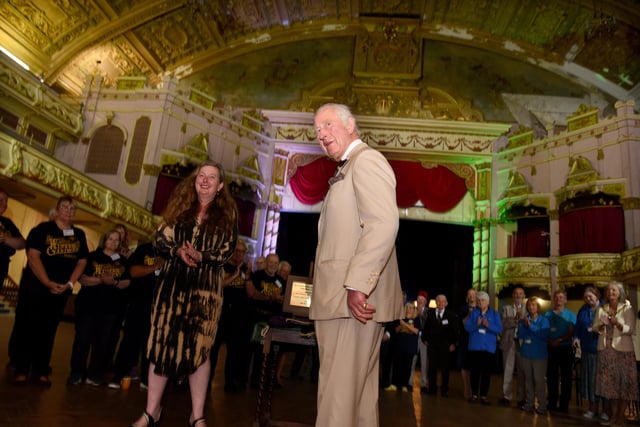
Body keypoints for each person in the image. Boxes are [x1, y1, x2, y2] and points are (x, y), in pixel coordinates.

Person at [309, 103, 404, 427]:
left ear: (351, 125)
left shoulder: (367, 161)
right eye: (317, 130)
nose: (321, 134)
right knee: (357, 400)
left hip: (350, 301)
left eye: (327, 124)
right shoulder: (348, 169)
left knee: (337, 400)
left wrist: (358, 285)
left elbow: (383, 224)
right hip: (343, 302)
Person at [130, 161, 238, 427]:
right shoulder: (179, 209)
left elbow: (227, 250)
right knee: (160, 345)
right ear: (194, 181)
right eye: (201, 175)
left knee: (200, 350)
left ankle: (197, 415)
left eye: (211, 177)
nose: (205, 180)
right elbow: (161, 238)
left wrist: (203, 255)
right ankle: (151, 411)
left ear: (220, 186)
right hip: (172, 288)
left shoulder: (227, 216)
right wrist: (177, 250)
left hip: (205, 294)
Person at [10, 196, 89, 385]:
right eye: (65, 207)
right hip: (36, 289)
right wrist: (47, 282)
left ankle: (41, 370)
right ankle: (22, 369)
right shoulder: (42, 230)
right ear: (57, 209)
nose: (69, 211)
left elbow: (82, 261)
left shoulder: (78, 234)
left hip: (60, 292)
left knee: (48, 331)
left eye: (72, 208)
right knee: (28, 328)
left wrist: (70, 284)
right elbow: (33, 256)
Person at [68, 228, 132, 386]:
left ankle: (95, 374)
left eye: (117, 240)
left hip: (110, 309)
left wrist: (115, 282)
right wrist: (101, 280)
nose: (113, 242)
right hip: (88, 306)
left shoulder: (123, 261)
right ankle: (76, 373)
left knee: (102, 342)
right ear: (104, 240)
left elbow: (127, 282)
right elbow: (82, 279)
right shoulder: (92, 257)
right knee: (82, 340)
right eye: (111, 239)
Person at [108, 235, 164, 389]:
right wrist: (155, 267)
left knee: (151, 344)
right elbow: (133, 272)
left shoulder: (170, 254)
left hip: (159, 306)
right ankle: (119, 374)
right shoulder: (144, 249)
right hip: (138, 302)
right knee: (130, 340)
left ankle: (146, 379)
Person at [593, 281, 639, 427]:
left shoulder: (627, 309)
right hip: (606, 351)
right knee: (611, 386)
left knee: (623, 386)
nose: (610, 293)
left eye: (613, 290)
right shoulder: (602, 309)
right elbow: (594, 328)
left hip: (623, 353)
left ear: (619, 293)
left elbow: (631, 329)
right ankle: (613, 417)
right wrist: (602, 325)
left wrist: (617, 323)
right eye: (608, 290)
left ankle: (621, 418)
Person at [209, 239, 253, 392]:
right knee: (213, 350)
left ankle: (231, 383)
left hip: (238, 317)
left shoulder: (246, 268)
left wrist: (247, 278)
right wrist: (235, 274)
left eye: (242, 252)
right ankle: (206, 382)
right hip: (221, 315)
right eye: (237, 251)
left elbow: (251, 293)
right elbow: (219, 285)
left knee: (235, 351)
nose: (239, 254)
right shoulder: (222, 265)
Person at [574, 286, 609, 421]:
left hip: (602, 350)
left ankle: (606, 410)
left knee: (603, 381)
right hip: (587, 350)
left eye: (590, 296)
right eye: (586, 297)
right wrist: (576, 338)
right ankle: (592, 408)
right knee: (590, 381)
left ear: (597, 295)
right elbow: (578, 327)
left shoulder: (605, 308)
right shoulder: (583, 310)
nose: (588, 299)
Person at [464, 290, 502, 405]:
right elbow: (467, 328)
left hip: (488, 349)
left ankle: (484, 396)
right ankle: (474, 395)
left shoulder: (495, 314)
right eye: (479, 300)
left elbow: (499, 329)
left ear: (487, 302)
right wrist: (476, 325)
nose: (481, 302)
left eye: (483, 300)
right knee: (475, 372)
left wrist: (488, 325)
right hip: (475, 348)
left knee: (486, 374)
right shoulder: (474, 314)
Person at [544, 289, 576, 413]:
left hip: (565, 348)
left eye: (561, 297)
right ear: (553, 299)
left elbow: (572, 331)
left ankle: (564, 404)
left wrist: (560, 339)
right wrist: (550, 340)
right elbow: (544, 330)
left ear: (565, 300)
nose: (558, 300)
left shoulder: (571, 315)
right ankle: (552, 402)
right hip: (551, 348)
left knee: (566, 377)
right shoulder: (547, 315)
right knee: (552, 377)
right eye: (556, 297)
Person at [517, 296, 550, 415]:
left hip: (539, 356)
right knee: (528, 380)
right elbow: (520, 335)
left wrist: (530, 326)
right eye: (529, 305)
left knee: (539, 381)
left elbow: (543, 334)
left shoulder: (544, 320)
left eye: (534, 305)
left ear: (538, 307)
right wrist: (525, 326)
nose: (531, 307)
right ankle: (529, 403)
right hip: (526, 354)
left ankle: (542, 405)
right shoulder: (524, 320)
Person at [422, 294, 459, 397]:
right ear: (436, 303)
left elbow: (455, 331)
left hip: (445, 347)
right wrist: (424, 339)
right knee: (432, 368)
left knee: (445, 369)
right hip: (432, 346)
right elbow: (426, 328)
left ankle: (444, 390)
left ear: (446, 303)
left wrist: (453, 343)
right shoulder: (431, 313)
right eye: (438, 301)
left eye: (443, 301)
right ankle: (432, 389)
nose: (440, 303)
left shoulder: (451, 315)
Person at [499, 286, 527, 406]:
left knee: (522, 372)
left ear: (524, 295)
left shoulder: (528, 308)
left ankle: (521, 398)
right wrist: (515, 320)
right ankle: (507, 396)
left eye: (520, 293)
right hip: (509, 342)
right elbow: (503, 324)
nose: (518, 295)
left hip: (523, 344)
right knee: (507, 370)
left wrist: (523, 320)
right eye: (516, 293)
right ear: (512, 295)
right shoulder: (506, 308)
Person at [392, 301, 422, 392]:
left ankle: (404, 385)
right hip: (400, 346)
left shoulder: (416, 319)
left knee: (407, 367)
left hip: (410, 347)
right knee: (397, 366)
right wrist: (400, 326)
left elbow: (417, 331)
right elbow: (396, 330)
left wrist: (405, 324)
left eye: (412, 308)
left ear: (414, 310)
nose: (410, 309)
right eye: (408, 307)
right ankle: (395, 384)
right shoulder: (401, 318)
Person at [0, 188, 26, 288]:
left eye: (6, 201)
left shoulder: (8, 223)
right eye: (1, 200)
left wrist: (6, 239)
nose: (4, 204)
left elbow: (23, 243)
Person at [457, 288, 476, 399]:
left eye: (473, 294)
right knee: (464, 364)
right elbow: (463, 322)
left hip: (476, 339)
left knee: (473, 365)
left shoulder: (480, 308)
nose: (471, 296)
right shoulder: (463, 308)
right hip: (465, 339)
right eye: (469, 295)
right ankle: (466, 388)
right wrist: (469, 313)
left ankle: (473, 389)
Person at [412, 291, 429, 394]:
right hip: (414, 338)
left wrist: (422, 315)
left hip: (424, 339)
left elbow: (429, 326)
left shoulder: (429, 312)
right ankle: (409, 382)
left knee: (424, 362)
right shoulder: (412, 310)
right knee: (412, 360)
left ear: (425, 302)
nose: (420, 302)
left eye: (422, 300)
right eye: (419, 300)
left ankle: (423, 384)